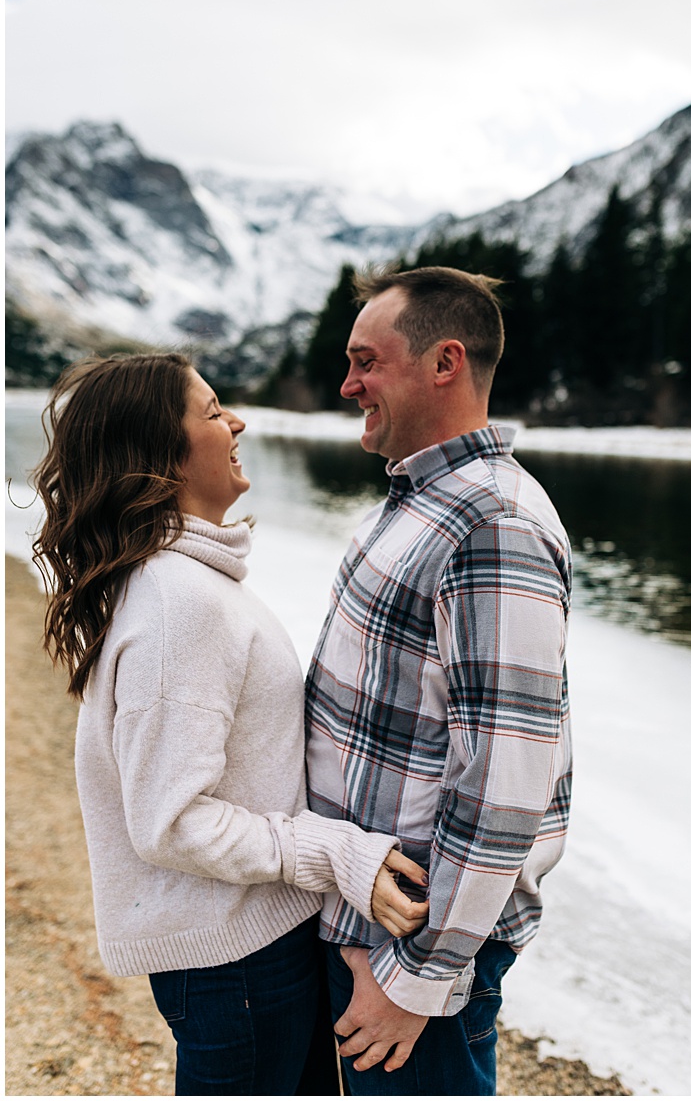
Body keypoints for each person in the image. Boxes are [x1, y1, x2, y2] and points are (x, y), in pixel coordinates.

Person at [32, 352, 428, 1097]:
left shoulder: (180, 584)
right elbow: (172, 822)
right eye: (213, 412)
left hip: (249, 947)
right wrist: (337, 851)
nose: (237, 421)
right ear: (160, 451)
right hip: (236, 965)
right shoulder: (178, 604)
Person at [305, 266, 573, 1096]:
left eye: (366, 362)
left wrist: (417, 980)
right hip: (371, 921)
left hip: (417, 950)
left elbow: (502, 783)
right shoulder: (422, 500)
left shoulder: (493, 526)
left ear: (443, 363)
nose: (347, 384)